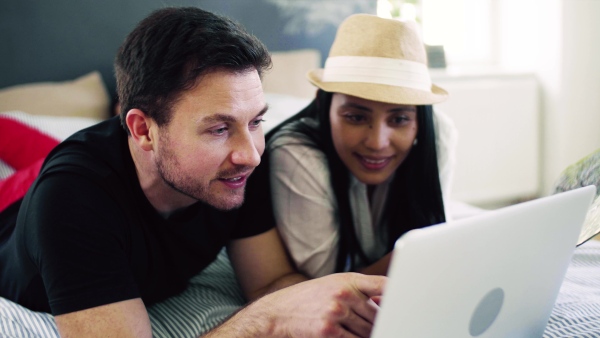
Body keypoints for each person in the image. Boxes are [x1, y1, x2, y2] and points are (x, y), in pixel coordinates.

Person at [0, 7, 385, 337]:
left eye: (255, 122)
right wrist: (269, 319)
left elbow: (269, 282)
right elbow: (269, 307)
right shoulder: (73, 202)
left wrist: (339, 307)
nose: (250, 155)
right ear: (142, 130)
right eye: (218, 129)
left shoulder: (239, 165)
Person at [244, 14, 451, 278]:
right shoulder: (296, 152)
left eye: (399, 119)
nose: (377, 143)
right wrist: (422, 252)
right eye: (356, 117)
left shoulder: (438, 136)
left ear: (420, 119)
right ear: (323, 104)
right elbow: (323, 281)